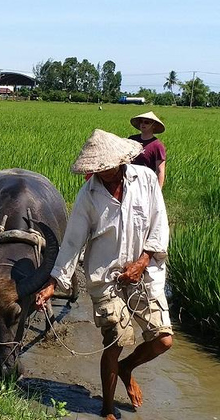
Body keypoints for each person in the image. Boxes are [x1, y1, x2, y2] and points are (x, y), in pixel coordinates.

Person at [35, 129, 172, 420]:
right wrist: (53, 283)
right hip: (106, 277)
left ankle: (127, 368)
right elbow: (73, 241)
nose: (104, 172)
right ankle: (107, 408)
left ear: (121, 160)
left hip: (145, 273)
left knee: (163, 340)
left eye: (108, 166)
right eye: (98, 168)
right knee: (116, 340)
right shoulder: (89, 194)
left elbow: (160, 222)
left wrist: (143, 261)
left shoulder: (145, 180)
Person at [128, 111, 167, 188]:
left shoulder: (157, 146)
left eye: (146, 122)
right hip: (129, 180)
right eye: (141, 121)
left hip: (145, 183)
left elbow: (160, 171)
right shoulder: (131, 139)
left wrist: (158, 192)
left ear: (153, 126)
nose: (143, 124)